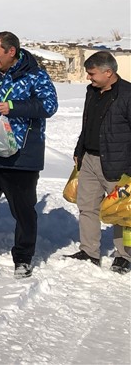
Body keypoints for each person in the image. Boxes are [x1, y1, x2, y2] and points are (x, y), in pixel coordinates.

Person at [0, 31, 58, 278]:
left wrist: (14, 108)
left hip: (21, 158)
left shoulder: (34, 76)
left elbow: (49, 106)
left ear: (11, 52)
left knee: (24, 211)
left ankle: (23, 258)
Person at [66, 51, 131, 273]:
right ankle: (89, 251)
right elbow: (87, 124)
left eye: (92, 74)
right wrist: (79, 149)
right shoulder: (91, 92)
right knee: (87, 207)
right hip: (90, 159)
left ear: (108, 72)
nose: (88, 78)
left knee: (120, 212)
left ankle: (124, 256)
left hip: (118, 163)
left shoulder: (128, 94)